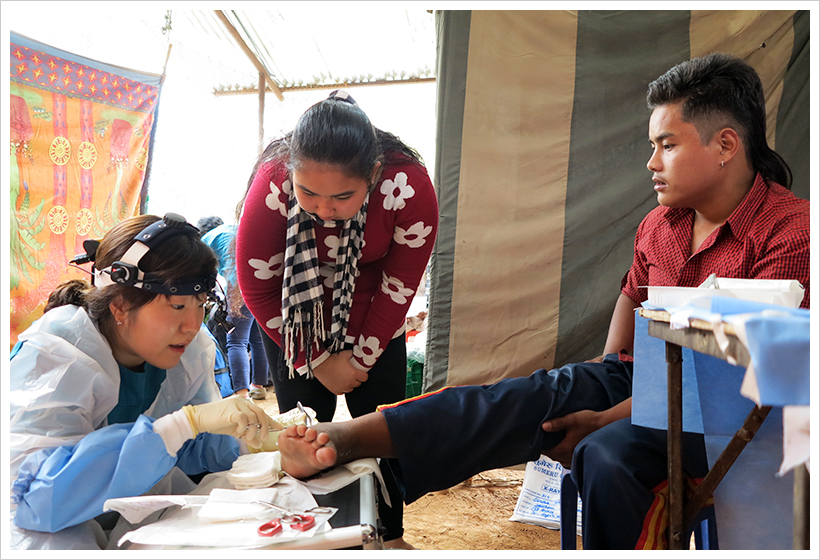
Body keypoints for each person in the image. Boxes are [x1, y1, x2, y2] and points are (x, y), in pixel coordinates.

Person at [273, 53, 810, 549]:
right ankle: (349, 441)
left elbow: (745, 385)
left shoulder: (789, 234)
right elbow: (633, 294)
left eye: (667, 145)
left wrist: (607, 418)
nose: (651, 162)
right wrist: (607, 367)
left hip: (732, 415)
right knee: (524, 397)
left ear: (725, 146)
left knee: (605, 453)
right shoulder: (661, 225)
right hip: (644, 379)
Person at [235, 89, 438, 550]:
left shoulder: (408, 186)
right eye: (308, 193)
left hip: (375, 316)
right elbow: (259, 286)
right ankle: (311, 535)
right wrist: (317, 360)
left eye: (342, 196)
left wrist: (361, 357)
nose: (324, 210)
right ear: (290, 174)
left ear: (373, 175)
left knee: (383, 424)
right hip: (294, 321)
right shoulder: (272, 181)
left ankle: (390, 534)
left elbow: (399, 282)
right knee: (304, 424)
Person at [9, 213, 279, 550]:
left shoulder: (186, 352)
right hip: (46, 526)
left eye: (200, 304)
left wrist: (260, 442)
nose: (192, 325)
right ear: (120, 306)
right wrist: (178, 426)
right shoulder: (56, 358)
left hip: (128, 510)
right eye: (178, 305)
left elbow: (189, 447)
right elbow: (36, 501)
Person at [201, 221, 270, 400]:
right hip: (260, 279)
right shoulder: (233, 228)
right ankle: (258, 385)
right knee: (257, 338)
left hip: (239, 283)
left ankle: (241, 394)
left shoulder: (207, 239)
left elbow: (203, 271)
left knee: (236, 341)